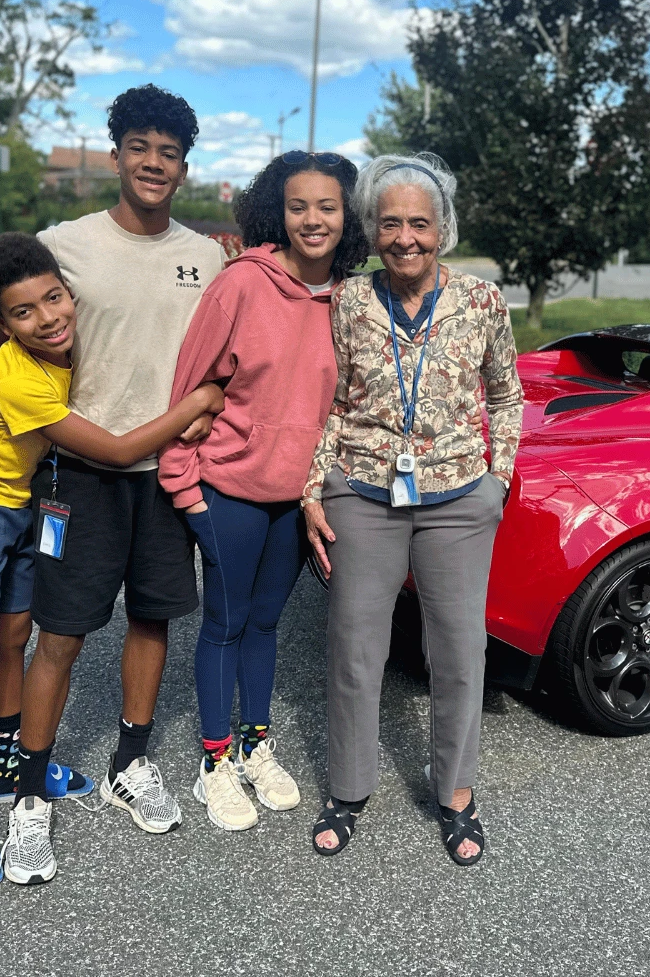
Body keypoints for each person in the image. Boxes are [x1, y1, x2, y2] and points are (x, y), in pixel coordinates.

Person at [0, 85, 225, 884]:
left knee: (154, 619)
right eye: (140, 147)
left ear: (184, 165)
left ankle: (131, 760)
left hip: (166, 478)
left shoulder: (208, 256)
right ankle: (28, 800)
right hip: (80, 475)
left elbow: (225, 356)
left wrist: (209, 415)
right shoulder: (65, 247)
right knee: (59, 633)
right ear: (116, 152)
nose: (154, 163)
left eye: (169, 152)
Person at [303, 153, 523, 866]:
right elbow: (332, 404)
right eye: (390, 222)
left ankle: (456, 793)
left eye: (420, 224)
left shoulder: (483, 302)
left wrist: (500, 479)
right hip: (363, 494)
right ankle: (348, 787)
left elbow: (507, 396)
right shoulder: (348, 302)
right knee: (356, 652)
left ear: (443, 230)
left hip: (460, 497)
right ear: (372, 229)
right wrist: (314, 487)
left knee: (459, 651)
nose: (405, 238)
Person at [159, 151, 368, 831]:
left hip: (295, 499)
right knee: (224, 622)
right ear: (277, 210)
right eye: (299, 205)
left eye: (327, 206)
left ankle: (255, 744)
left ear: (347, 216)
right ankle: (214, 763)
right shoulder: (241, 286)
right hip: (228, 491)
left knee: (266, 624)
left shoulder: (351, 299)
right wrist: (184, 488)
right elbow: (188, 391)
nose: (313, 219)